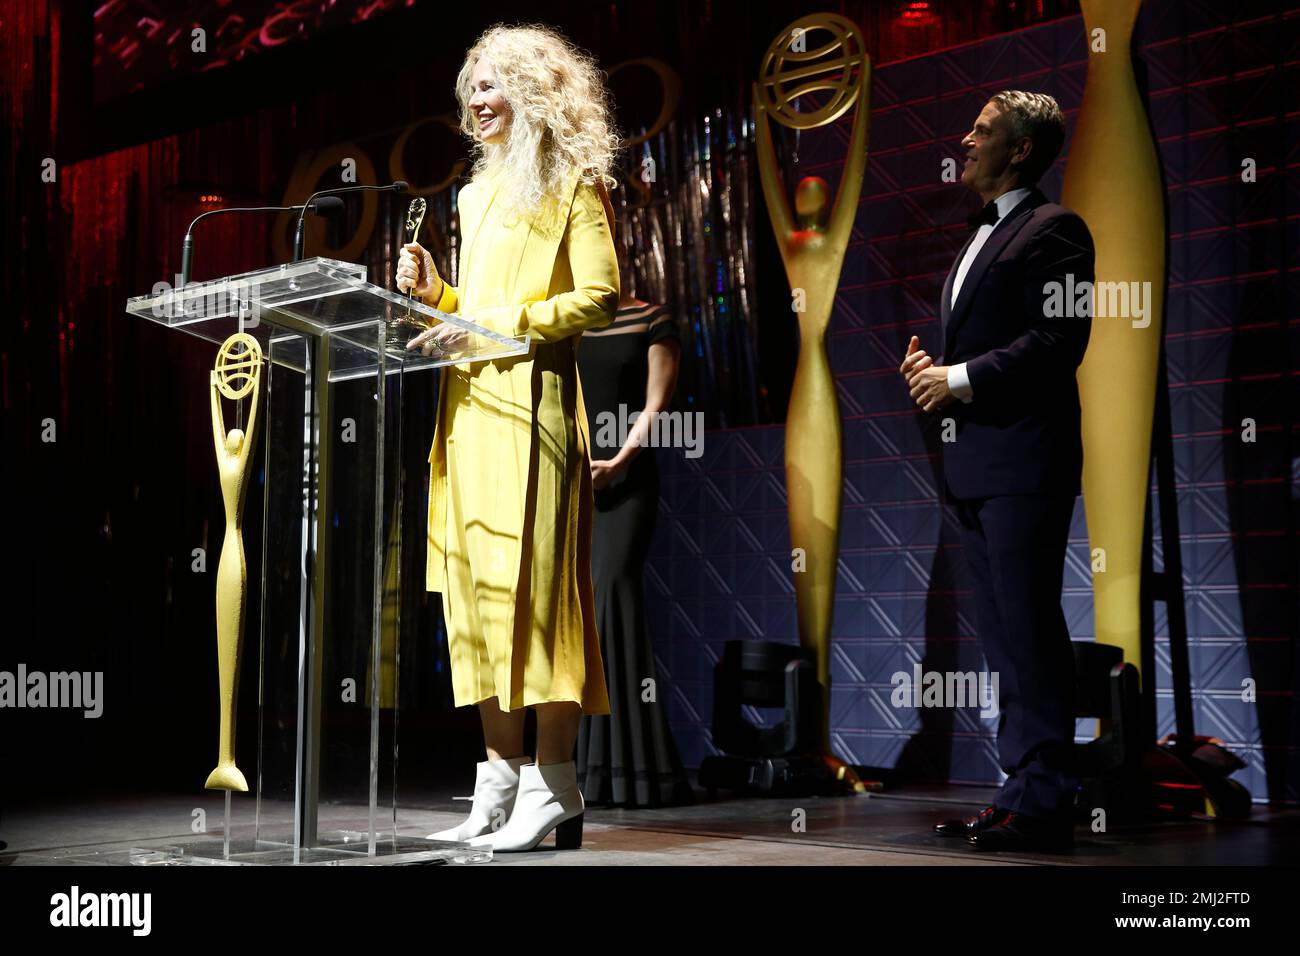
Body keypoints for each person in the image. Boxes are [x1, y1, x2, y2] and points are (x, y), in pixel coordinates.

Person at [395, 22, 621, 853]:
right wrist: (440, 295)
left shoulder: (571, 180)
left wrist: (496, 322)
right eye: (469, 91)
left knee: (543, 602)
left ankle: (554, 785)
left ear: (530, 89)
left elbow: (600, 295)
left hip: (535, 411)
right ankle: (499, 777)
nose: (474, 104)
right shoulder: (472, 192)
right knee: (478, 601)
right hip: (470, 414)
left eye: (488, 86)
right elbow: (473, 313)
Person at [899, 91, 1094, 851]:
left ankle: (1045, 800)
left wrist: (957, 377)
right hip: (976, 468)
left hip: (1026, 464)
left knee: (1030, 631)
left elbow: (1060, 339)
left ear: (1019, 150)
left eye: (982, 131)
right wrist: (934, 372)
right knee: (1005, 639)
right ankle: (1020, 791)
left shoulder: (1059, 230)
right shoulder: (979, 235)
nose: (965, 139)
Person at [575, 253, 693, 808]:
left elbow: (657, 405)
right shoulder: (570, 322)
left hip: (626, 484)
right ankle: (592, 771)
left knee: (611, 601)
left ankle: (630, 768)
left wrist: (618, 462)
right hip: (573, 486)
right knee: (582, 617)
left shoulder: (652, 318)